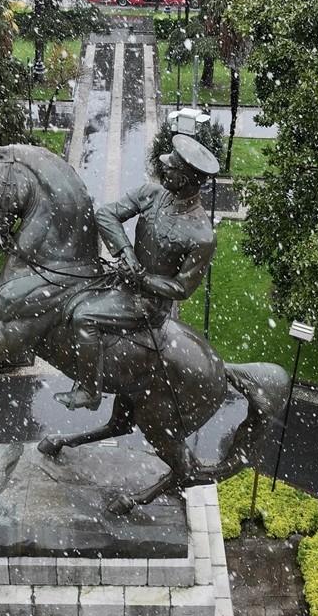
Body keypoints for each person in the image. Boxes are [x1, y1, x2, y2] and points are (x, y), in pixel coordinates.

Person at [54, 133, 220, 411]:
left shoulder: (202, 235)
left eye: (171, 167)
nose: (163, 167)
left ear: (188, 179)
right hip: (122, 280)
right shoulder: (151, 194)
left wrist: (143, 279)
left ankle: (89, 391)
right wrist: (126, 253)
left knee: (84, 317)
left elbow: (182, 289)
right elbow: (106, 214)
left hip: (147, 303)